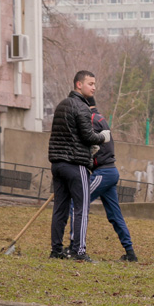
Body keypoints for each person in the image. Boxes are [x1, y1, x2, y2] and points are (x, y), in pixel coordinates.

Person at [48, 70, 109, 262]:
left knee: (60, 208)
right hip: (76, 165)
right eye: (90, 83)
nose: (94, 87)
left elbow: (69, 136)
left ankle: (56, 250)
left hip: (58, 164)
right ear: (78, 85)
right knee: (82, 208)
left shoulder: (61, 106)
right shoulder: (82, 107)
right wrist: (102, 137)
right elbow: (87, 136)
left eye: (94, 83)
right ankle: (78, 251)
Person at [67, 104, 137, 262]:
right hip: (110, 172)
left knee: (77, 202)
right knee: (115, 215)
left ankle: (73, 247)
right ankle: (130, 252)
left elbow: (87, 141)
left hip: (103, 173)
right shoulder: (101, 119)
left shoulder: (91, 120)